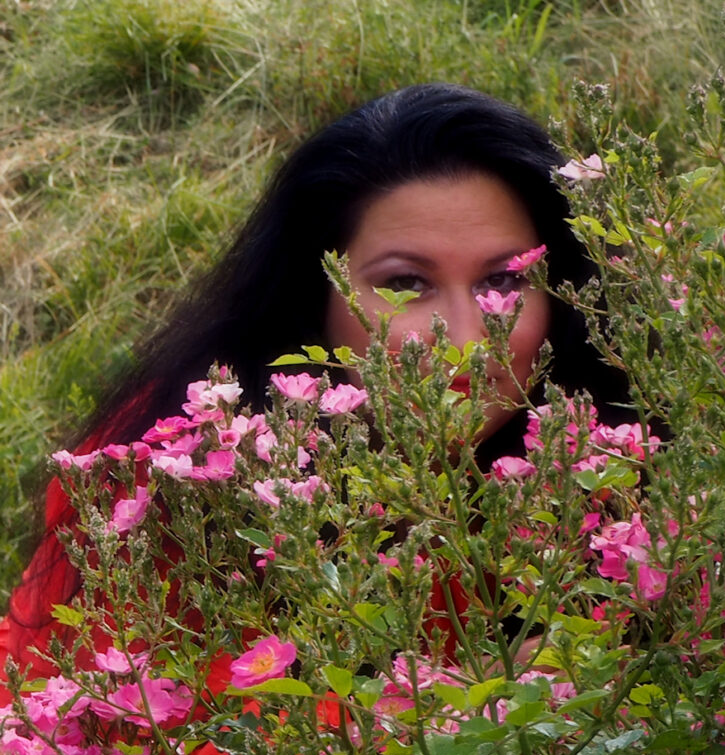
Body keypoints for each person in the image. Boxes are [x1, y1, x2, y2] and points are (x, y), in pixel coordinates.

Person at [0, 82, 629, 686]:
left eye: (503, 282)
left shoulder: (618, 454)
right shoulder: (173, 473)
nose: (468, 341)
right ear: (315, 297)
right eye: (407, 284)